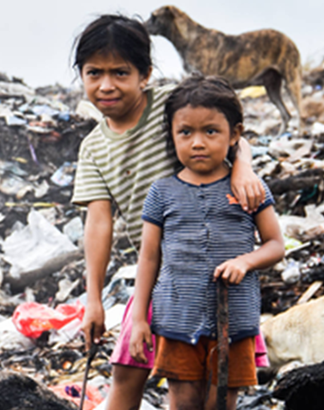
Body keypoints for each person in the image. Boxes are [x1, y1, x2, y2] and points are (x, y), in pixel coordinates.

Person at [71, 15, 265, 410]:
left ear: (145, 75)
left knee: (207, 389)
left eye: (120, 72)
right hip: (155, 277)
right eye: (94, 73)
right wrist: (93, 299)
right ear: (82, 76)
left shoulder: (169, 106)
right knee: (126, 375)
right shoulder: (93, 148)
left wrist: (242, 164)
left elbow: (227, 128)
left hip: (204, 270)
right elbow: (99, 222)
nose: (106, 85)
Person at [129, 74, 285, 410]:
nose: (197, 142)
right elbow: (149, 258)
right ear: (172, 135)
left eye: (210, 131)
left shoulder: (250, 188)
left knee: (220, 404)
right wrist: (139, 318)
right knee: (183, 403)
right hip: (176, 319)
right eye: (186, 132)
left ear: (235, 134)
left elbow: (275, 245)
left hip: (234, 322)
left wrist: (245, 262)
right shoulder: (161, 192)